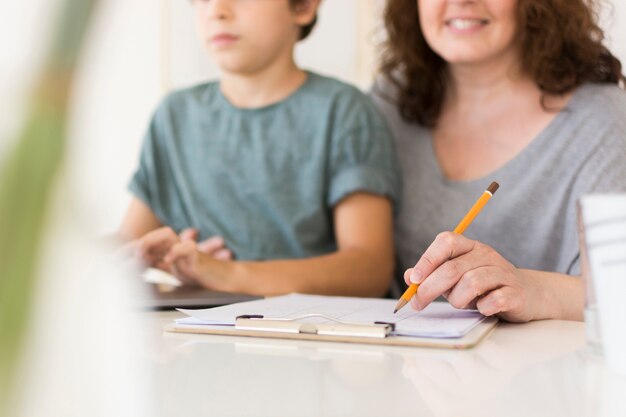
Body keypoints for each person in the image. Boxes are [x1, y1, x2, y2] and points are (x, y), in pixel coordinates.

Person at [118, 0, 400, 297]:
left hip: (304, 332)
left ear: (303, 7)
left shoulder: (344, 112)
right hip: (188, 334)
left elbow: (369, 269)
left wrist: (225, 274)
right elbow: (129, 240)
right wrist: (134, 259)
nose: (217, 11)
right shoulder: (174, 115)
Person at [371, 0, 626, 321]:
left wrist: (528, 288)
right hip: (399, 361)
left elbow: (616, 296)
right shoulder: (387, 102)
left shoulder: (604, 121)